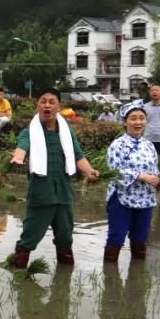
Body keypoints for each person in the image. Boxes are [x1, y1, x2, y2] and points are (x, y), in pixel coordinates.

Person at [9, 88, 100, 267]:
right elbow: (22, 147)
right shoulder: (30, 132)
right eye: (43, 101)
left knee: (66, 236)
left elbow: (77, 155)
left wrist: (89, 171)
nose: (47, 105)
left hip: (64, 193)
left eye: (52, 101)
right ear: (38, 105)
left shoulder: (67, 133)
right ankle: (18, 273)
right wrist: (18, 157)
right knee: (30, 235)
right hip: (41, 193)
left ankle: (64, 279)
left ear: (59, 105)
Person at [104, 100, 160, 262]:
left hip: (145, 198)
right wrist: (140, 176)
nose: (138, 122)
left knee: (141, 238)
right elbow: (114, 171)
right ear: (125, 122)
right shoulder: (117, 145)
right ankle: (110, 280)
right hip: (121, 198)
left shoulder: (149, 146)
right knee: (116, 237)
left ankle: (137, 279)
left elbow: (153, 170)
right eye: (133, 118)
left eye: (142, 118)